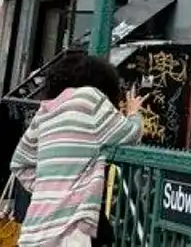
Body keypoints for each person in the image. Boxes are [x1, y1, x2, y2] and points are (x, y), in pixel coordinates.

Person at [9, 52, 146, 247]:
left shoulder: (46, 110)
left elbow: (20, 163)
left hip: (36, 228)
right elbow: (130, 134)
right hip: (72, 229)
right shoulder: (90, 99)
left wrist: (49, 188)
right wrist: (134, 113)